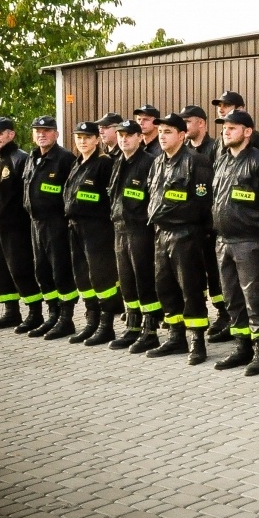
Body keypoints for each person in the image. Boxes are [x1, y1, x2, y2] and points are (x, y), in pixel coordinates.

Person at [210, 109, 259, 375]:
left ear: (247, 132)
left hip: (250, 241)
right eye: (224, 127)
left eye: (233, 127)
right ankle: (242, 347)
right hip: (224, 240)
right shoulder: (222, 161)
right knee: (232, 299)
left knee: (256, 298)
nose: (226, 131)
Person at [145, 112, 215, 364]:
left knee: (191, 289)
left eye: (168, 132)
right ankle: (176, 337)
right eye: (160, 132)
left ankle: (197, 340)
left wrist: (176, 217)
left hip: (186, 234)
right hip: (161, 234)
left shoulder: (196, 162)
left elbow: (202, 202)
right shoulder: (157, 162)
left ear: (182, 135)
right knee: (165, 287)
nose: (162, 137)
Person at [63, 121, 125, 347]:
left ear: (97, 140)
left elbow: (108, 198)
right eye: (79, 137)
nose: (82, 141)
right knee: (82, 277)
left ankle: (106, 326)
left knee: (102, 278)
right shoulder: (77, 163)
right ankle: (91, 321)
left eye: (87, 137)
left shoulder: (103, 164)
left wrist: (84, 203)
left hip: (97, 229)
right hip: (75, 228)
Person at [0, 117, 44, 332]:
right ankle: (11, 312)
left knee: (21, 269)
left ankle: (35, 313)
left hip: (18, 228)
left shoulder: (21, 159)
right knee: (0, 271)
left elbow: (27, 195)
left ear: (11, 134)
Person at [22, 115, 77, 340]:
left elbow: (70, 192)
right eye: (37, 131)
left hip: (57, 224)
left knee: (60, 271)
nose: (41, 134)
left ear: (56, 133)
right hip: (36, 223)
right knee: (42, 271)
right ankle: (52, 314)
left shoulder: (64, 158)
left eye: (46, 130)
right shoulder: (32, 157)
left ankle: (66, 318)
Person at [108, 119, 160, 351]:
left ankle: (150, 331)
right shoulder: (118, 161)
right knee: (127, 282)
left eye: (129, 135)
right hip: (120, 230)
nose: (124, 139)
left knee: (144, 280)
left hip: (141, 231)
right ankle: (132, 327)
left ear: (140, 138)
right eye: (120, 135)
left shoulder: (149, 162)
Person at [182, 104, 231, 340]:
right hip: (190, 225)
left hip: (211, 223)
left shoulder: (214, 148)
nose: (185, 126)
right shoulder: (182, 151)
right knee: (194, 273)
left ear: (201, 123)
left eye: (188, 121)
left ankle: (225, 314)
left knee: (216, 272)